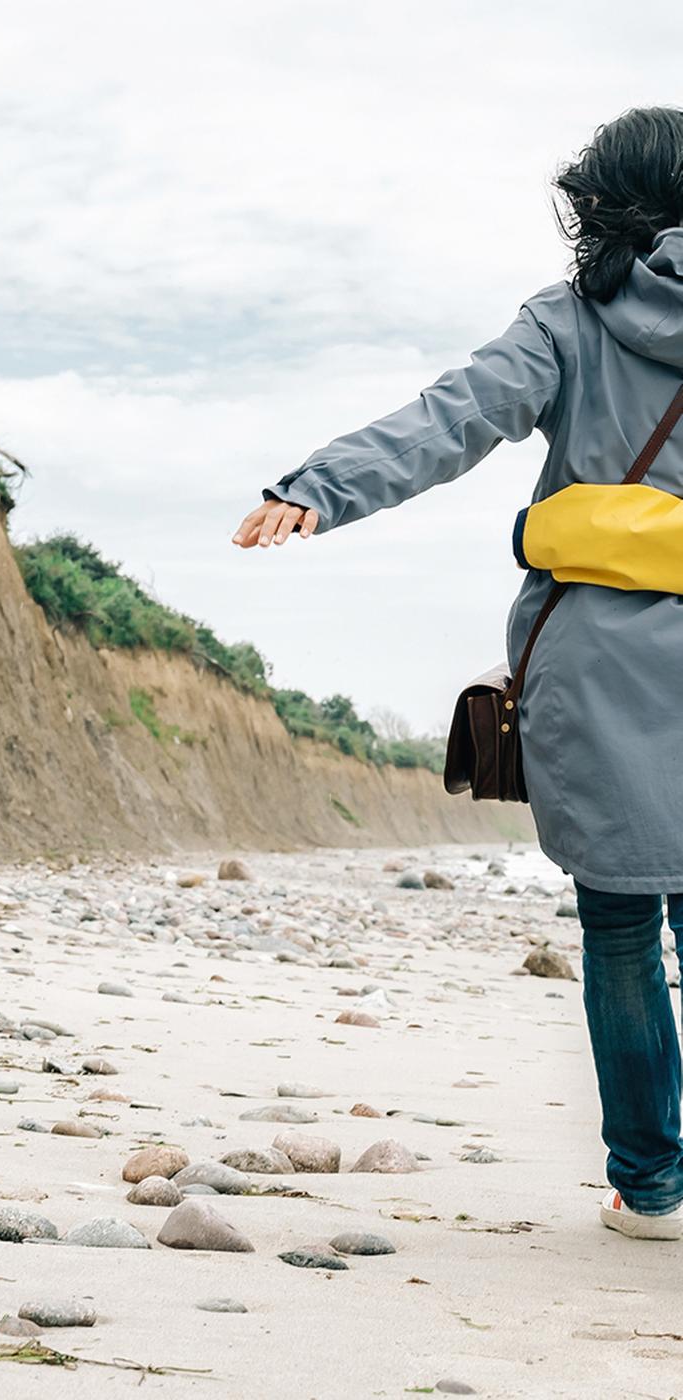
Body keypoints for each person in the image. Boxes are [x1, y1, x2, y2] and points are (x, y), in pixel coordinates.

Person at [232, 107, 683, 1242]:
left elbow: (449, 419)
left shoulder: (565, 321)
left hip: (594, 658)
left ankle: (649, 1185)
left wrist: (317, 485)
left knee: (621, 927)